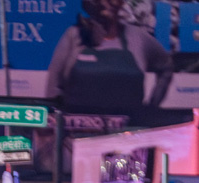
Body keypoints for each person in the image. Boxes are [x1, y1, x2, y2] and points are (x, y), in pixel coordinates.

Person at [45, 0, 174, 123]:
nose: (111, 2)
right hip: (77, 132)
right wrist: (53, 123)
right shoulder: (74, 36)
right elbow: (53, 88)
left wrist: (152, 106)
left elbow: (166, 67)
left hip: (127, 133)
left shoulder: (138, 37)